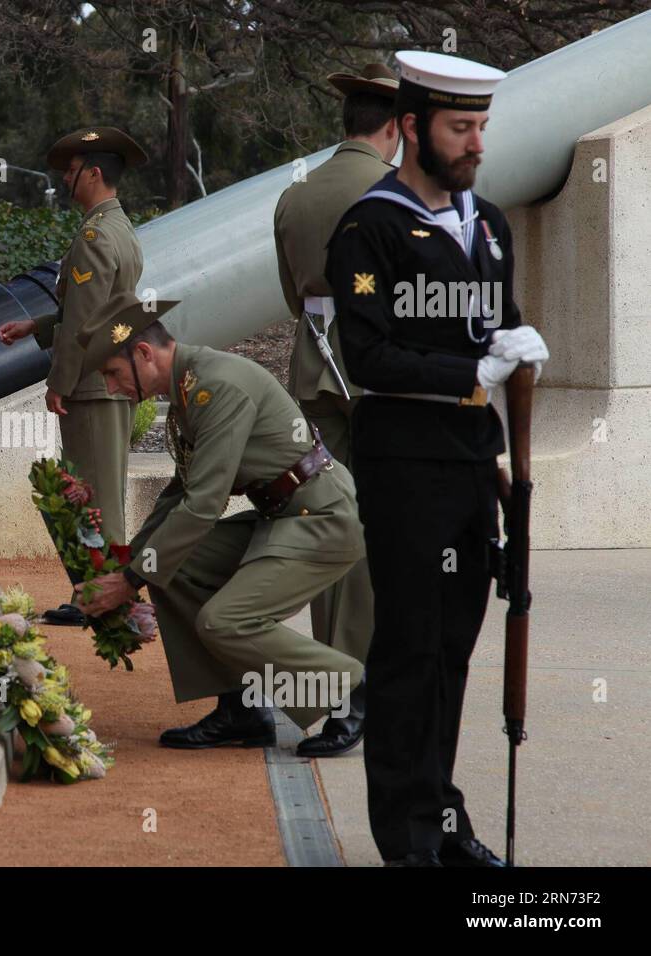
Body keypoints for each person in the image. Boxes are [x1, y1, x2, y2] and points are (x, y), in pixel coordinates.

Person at [325, 50, 549, 867]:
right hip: (406, 469)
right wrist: (472, 373)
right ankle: (409, 840)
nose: (477, 143)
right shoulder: (370, 225)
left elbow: (496, 325)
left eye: (483, 126)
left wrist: (513, 348)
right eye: (461, 127)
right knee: (411, 653)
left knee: (450, 654)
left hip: (467, 467)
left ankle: (442, 818)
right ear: (412, 128)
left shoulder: (486, 224)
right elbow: (368, 356)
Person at [73, 295, 367, 747]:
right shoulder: (190, 389)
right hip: (284, 518)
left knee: (223, 622)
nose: (112, 388)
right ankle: (242, 711)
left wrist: (129, 581)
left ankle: (352, 690)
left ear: (145, 354)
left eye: (113, 373)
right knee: (174, 568)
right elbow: (179, 494)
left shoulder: (215, 387)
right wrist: (130, 564)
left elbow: (203, 506)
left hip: (323, 520)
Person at [272, 63, 400, 757]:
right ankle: (374, 686)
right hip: (382, 371)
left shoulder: (296, 194)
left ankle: (334, 686)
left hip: (316, 370)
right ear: (395, 129)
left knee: (325, 522)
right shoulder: (397, 191)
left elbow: (296, 298)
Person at [0, 126, 146, 626]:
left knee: (93, 497)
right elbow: (96, 310)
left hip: (92, 384)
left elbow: (83, 321)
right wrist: (35, 326)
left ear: (95, 173)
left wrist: (58, 381)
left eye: (73, 170)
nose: (65, 177)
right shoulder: (120, 229)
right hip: (110, 379)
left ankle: (107, 599)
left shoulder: (93, 236)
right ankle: (98, 594)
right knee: (98, 493)